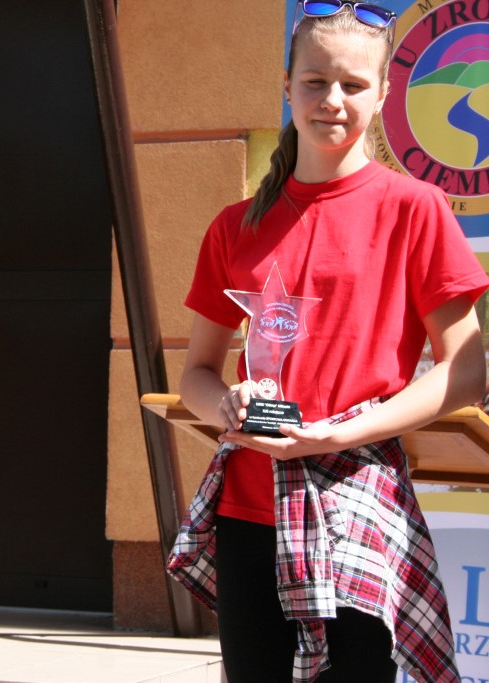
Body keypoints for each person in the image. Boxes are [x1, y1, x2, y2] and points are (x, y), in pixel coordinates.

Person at [166, 2, 488, 682]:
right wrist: (225, 403)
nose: (332, 100)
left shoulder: (415, 209)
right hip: (247, 507)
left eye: (353, 84)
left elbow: (465, 371)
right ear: (286, 86)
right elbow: (197, 372)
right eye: (314, 81)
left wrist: (337, 434)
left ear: (383, 93)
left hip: (357, 503)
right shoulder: (234, 225)